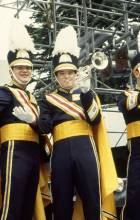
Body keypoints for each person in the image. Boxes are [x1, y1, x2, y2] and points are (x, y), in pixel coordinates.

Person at [38, 26, 118, 220]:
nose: (67, 77)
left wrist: (86, 94)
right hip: (61, 153)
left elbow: (95, 119)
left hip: (86, 150)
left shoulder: (86, 93)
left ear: (76, 73)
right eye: (62, 73)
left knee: (92, 198)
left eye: (70, 72)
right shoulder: (47, 99)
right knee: (62, 202)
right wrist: (36, 119)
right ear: (56, 76)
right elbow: (44, 127)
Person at [0, 18, 44, 220]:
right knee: (12, 205)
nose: (25, 71)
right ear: (11, 70)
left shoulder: (31, 97)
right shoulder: (5, 91)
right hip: (15, 151)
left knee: (27, 206)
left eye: (28, 68)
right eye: (19, 67)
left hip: (32, 153)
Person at [118, 32, 140, 220]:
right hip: (138, 150)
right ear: (136, 72)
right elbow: (128, 106)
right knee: (135, 192)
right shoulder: (128, 95)